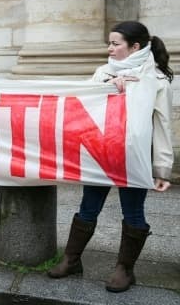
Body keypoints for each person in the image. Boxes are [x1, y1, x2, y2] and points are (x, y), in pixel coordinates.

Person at [47, 21, 174, 293]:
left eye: (115, 43)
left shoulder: (157, 80)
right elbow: (83, 100)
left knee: (133, 211)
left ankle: (124, 270)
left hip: (135, 157)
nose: (110, 48)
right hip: (101, 152)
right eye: (110, 42)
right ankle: (71, 260)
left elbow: (163, 125)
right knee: (88, 206)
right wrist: (108, 85)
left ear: (135, 47)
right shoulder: (103, 71)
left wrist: (161, 169)